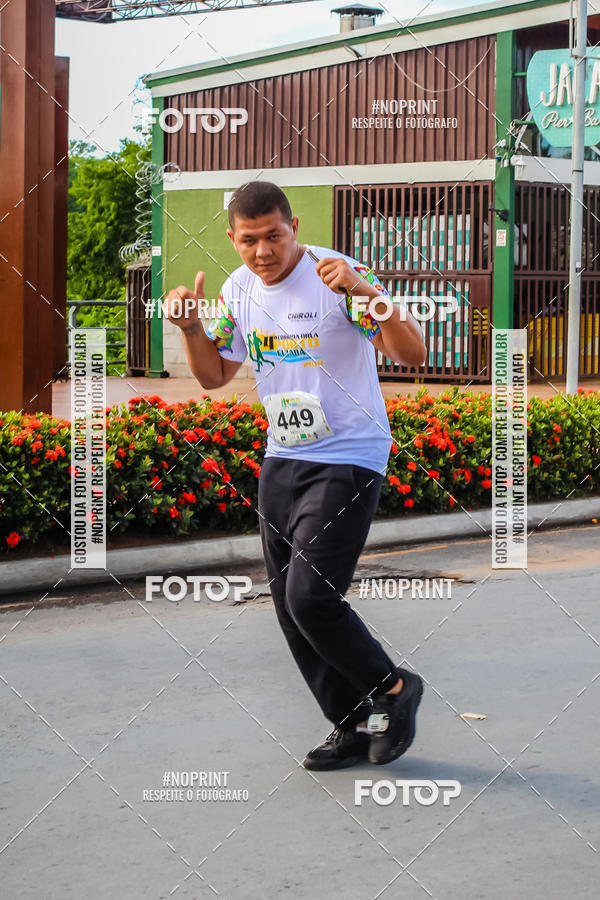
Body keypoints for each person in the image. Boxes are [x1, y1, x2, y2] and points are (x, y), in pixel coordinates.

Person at [163, 181, 427, 770]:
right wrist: (189, 329)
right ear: (233, 239)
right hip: (283, 456)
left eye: (274, 236)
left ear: (295, 227)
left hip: (349, 454)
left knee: (311, 598)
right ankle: (356, 723)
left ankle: (393, 689)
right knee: (288, 605)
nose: (263, 251)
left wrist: (364, 292)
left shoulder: (337, 274)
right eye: (250, 240)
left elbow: (412, 351)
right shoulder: (237, 289)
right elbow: (214, 377)